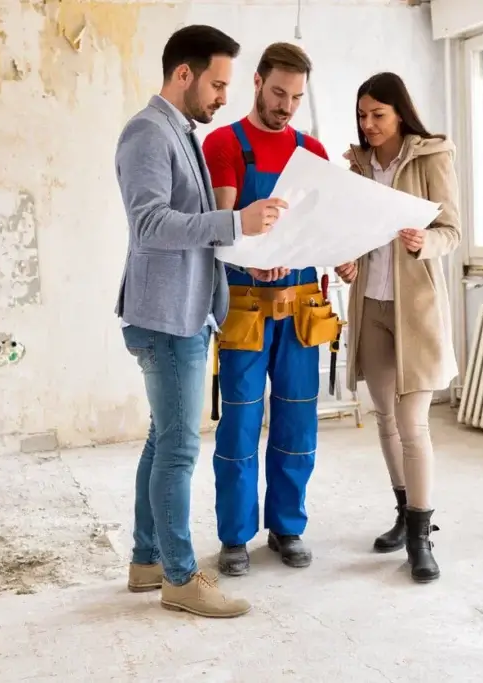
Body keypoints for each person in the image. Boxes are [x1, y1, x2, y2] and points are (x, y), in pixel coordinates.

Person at [114, 24, 288, 618]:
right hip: (165, 319)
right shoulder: (147, 132)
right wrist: (236, 221)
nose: (223, 96)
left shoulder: (179, 130)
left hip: (180, 312)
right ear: (182, 75)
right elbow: (150, 226)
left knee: (163, 440)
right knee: (180, 449)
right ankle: (182, 578)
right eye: (216, 83)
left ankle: (146, 560)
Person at [202, 42, 335, 577]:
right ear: (256, 82)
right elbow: (222, 227)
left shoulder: (314, 152)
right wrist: (254, 265)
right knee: (239, 421)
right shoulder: (223, 144)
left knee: (298, 419)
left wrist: (340, 258)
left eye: (296, 97)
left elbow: (323, 227)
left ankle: (288, 526)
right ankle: (235, 536)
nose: (286, 106)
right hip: (244, 304)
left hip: (302, 304)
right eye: (278, 92)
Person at [334, 72, 460, 584]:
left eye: (377, 115)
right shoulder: (358, 166)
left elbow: (450, 231)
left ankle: (420, 539)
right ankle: (403, 514)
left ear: (400, 113)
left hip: (417, 313)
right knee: (384, 418)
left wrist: (422, 244)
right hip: (372, 307)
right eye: (362, 115)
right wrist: (347, 263)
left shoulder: (430, 157)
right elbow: (352, 234)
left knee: (414, 425)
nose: (368, 125)